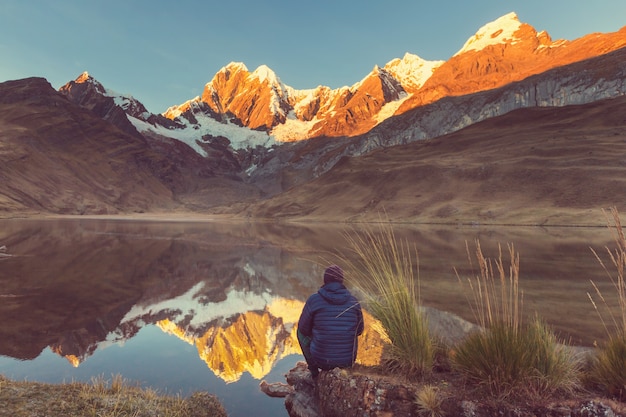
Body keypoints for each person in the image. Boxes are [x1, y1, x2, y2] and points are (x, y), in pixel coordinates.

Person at [297, 265, 364, 378]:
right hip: (347, 362)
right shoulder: (354, 301)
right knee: (353, 331)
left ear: (325, 280)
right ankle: (347, 364)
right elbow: (360, 330)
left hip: (322, 362)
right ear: (342, 281)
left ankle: (314, 371)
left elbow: (304, 329)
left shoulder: (314, 300)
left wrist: (320, 331)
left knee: (299, 332)